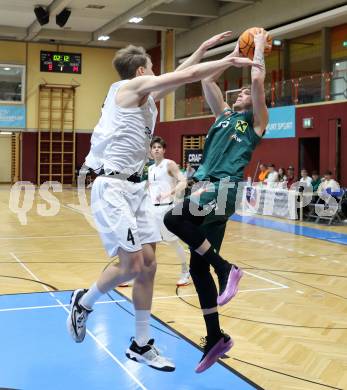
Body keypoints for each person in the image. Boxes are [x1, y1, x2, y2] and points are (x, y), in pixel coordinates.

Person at [66, 33, 258, 372]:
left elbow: (179, 74)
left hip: (135, 188)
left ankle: (141, 344)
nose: (156, 73)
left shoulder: (144, 94)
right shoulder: (127, 90)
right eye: (152, 69)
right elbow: (182, 77)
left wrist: (200, 49)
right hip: (112, 187)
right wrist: (229, 60)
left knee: (150, 264)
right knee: (131, 266)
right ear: (142, 71)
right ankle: (84, 301)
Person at [164, 29, 269, 373]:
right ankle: (216, 338)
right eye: (237, 92)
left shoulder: (255, 123)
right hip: (207, 189)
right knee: (197, 266)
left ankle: (227, 268)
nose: (240, 93)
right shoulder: (223, 115)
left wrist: (258, 49)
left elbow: (256, 79)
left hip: (223, 188)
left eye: (245, 94)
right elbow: (207, 79)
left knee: (173, 219)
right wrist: (221, 51)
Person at [148, 136, 190, 286]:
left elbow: (183, 181)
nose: (157, 149)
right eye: (154, 147)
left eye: (159, 147)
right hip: (151, 210)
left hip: (166, 210)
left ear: (164, 150)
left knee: (172, 242)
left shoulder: (169, 164)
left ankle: (186, 271)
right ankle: (140, 273)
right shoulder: (150, 168)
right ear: (151, 151)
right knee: (146, 242)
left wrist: (169, 193)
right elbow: (150, 188)